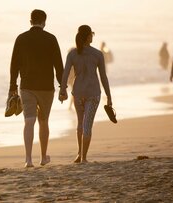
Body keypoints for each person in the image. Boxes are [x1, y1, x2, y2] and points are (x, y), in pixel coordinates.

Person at [9, 9, 64, 168]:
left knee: (29, 121)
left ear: (30, 21)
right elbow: (58, 65)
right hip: (46, 87)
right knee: (43, 121)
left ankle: (28, 159)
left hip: (27, 86)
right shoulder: (51, 39)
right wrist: (62, 86)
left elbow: (14, 65)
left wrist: (13, 86)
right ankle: (43, 157)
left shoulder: (21, 38)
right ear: (44, 21)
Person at [59, 25, 112, 163]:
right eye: (92, 34)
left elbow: (65, 73)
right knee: (87, 125)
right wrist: (109, 96)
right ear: (88, 36)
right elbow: (103, 77)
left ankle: (79, 154)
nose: (93, 36)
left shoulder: (72, 54)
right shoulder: (97, 54)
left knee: (80, 124)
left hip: (77, 92)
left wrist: (62, 90)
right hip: (93, 93)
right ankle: (83, 158)